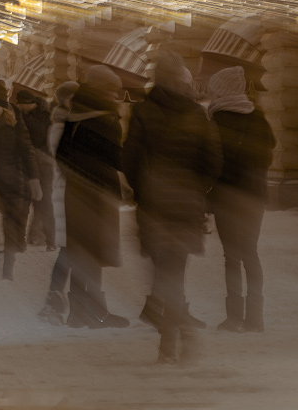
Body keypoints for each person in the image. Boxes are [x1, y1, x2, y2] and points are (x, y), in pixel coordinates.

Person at [123, 52, 222, 364]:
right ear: (181, 79)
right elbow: (214, 160)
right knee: (174, 273)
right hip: (186, 205)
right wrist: (197, 189)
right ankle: (177, 337)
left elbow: (129, 159)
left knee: (163, 272)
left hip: (154, 205)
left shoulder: (142, 111)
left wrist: (143, 190)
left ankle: (170, 342)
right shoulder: (196, 113)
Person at [55, 66, 129, 329]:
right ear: (103, 91)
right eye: (112, 91)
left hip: (75, 192)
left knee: (79, 253)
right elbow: (116, 159)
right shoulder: (108, 118)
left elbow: (60, 156)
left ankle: (78, 313)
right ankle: (97, 314)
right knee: (95, 254)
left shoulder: (73, 115)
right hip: (99, 194)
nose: (116, 96)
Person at [206, 66, 275, 332]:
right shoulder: (258, 117)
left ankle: (234, 317)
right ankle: (255, 317)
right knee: (250, 254)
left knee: (232, 258)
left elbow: (212, 162)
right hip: (255, 195)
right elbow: (269, 153)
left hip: (226, 196)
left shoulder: (217, 119)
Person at [0, 82, 39, 280]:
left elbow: (27, 150)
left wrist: (34, 178)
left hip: (12, 180)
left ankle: (8, 269)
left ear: (4, 107)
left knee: (10, 227)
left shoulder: (15, 122)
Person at [38, 81, 79, 323]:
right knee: (69, 251)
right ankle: (54, 302)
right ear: (64, 99)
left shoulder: (68, 123)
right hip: (66, 194)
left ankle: (58, 302)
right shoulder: (60, 126)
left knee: (72, 251)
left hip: (69, 193)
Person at [16, 88, 57, 250]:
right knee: (27, 202)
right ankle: (30, 237)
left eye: (20, 104)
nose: (18, 107)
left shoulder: (44, 117)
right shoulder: (27, 116)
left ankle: (50, 241)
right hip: (30, 163)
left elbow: (38, 136)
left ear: (28, 104)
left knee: (44, 202)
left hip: (43, 164)